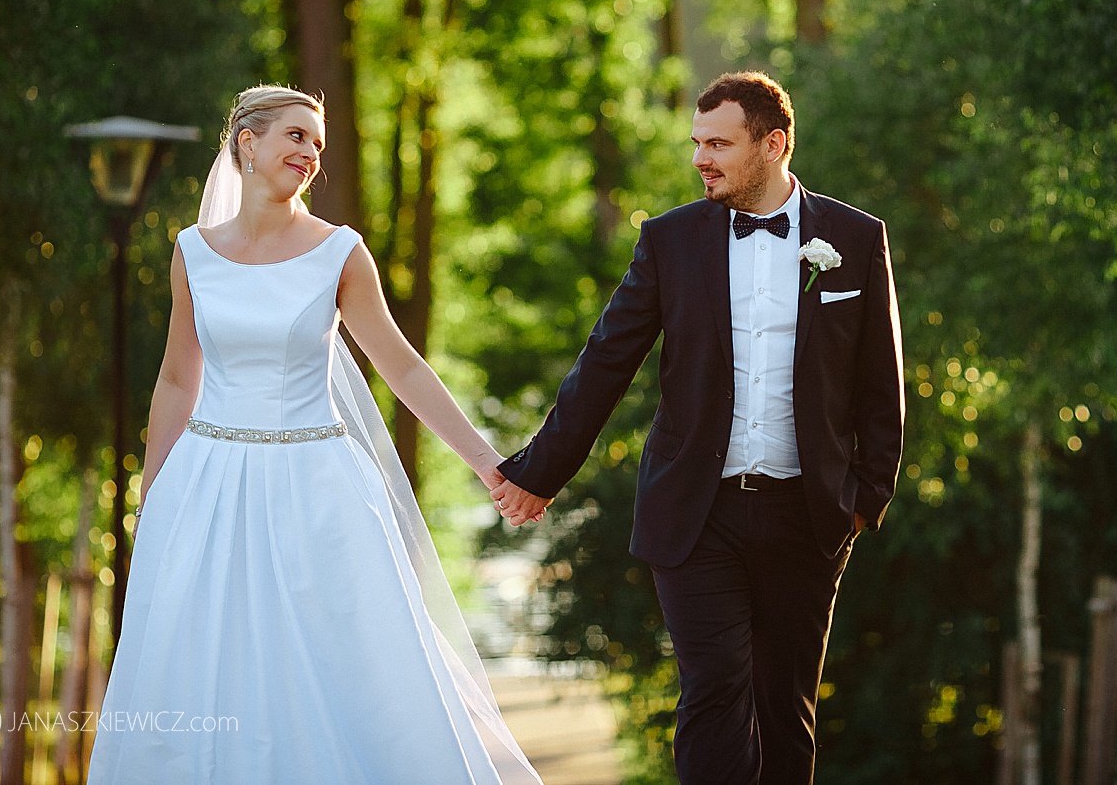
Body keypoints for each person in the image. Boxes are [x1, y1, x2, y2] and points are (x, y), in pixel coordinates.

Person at [89, 86, 543, 785]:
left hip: (318, 490)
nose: (309, 154)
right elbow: (177, 381)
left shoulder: (340, 253)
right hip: (208, 490)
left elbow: (403, 366)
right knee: (210, 666)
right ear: (247, 140)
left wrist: (490, 464)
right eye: (296, 137)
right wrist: (154, 501)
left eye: (318, 144)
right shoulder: (192, 254)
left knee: (343, 670)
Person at [491, 71, 905, 785]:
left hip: (809, 513)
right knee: (713, 692)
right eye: (696, 142)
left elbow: (881, 386)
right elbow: (604, 365)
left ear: (773, 144)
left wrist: (865, 500)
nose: (699, 159)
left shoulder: (854, 238)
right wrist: (537, 472)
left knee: (786, 708)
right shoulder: (669, 241)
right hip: (696, 512)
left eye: (718, 143)